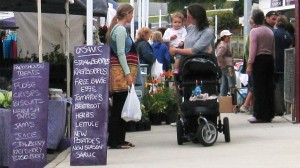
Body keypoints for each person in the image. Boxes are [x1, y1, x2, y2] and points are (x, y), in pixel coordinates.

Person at [105, 4, 136, 149]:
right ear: (128, 14)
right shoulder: (121, 30)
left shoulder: (115, 29)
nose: (132, 16)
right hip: (120, 73)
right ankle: (115, 141)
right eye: (132, 14)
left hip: (117, 71)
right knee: (119, 107)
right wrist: (128, 73)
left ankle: (120, 139)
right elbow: (121, 53)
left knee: (120, 105)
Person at [246, 9, 275, 123]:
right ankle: (269, 113)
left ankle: (258, 114)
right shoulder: (270, 31)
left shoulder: (254, 31)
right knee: (269, 87)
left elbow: (253, 49)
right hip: (269, 60)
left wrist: (250, 64)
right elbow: (273, 49)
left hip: (258, 60)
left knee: (259, 88)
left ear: (253, 19)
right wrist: (273, 60)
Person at [273, 15, 292, 116]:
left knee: (274, 87)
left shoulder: (273, 33)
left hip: (274, 63)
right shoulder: (287, 35)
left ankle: (277, 108)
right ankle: (285, 108)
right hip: (284, 64)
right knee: (283, 87)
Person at [239, 17, 256, 114]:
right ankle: (246, 105)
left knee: (251, 86)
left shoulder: (250, 34)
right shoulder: (252, 34)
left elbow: (246, 51)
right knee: (253, 86)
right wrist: (250, 64)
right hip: (252, 64)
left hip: (249, 63)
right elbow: (250, 51)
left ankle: (251, 108)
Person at [215, 30, 236, 96]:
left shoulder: (220, 44)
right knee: (232, 84)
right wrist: (222, 65)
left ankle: (223, 100)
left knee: (224, 83)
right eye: (228, 37)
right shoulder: (224, 46)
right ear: (224, 37)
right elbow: (218, 55)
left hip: (224, 67)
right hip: (228, 67)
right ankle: (234, 101)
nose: (229, 38)